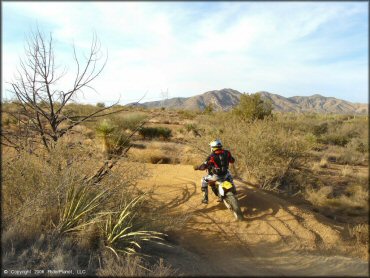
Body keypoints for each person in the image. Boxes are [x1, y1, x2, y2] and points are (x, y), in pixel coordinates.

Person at [194, 139, 236, 204]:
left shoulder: (211, 157)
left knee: (203, 180)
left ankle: (205, 198)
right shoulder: (227, 153)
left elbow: (204, 166)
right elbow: (232, 161)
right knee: (230, 177)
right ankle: (234, 190)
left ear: (213, 147)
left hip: (216, 176)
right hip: (225, 174)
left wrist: (197, 167)